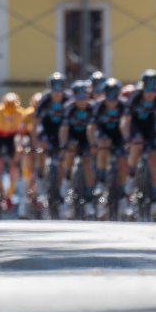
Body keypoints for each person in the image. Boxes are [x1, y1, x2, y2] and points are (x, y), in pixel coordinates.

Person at [126, 70, 156, 218]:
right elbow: (125, 120)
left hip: (150, 126)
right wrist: (127, 138)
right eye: (148, 89)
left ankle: (155, 196)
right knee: (137, 145)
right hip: (135, 125)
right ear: (142, 88)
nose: (151, 93)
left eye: (154, 90)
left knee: (154, 156)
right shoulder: (134, 96)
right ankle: (131, 175)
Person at [59, 80, 97, 217]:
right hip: (72, 135)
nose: (81, 102)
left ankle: (89, 198)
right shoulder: (69, 108)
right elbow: (64, 128)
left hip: (87, 137)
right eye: (78, 98)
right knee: (69, 152)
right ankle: (67, 179)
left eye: (84, 97)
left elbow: (93, 128)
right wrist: (63, 144)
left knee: (87, 161)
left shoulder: (93, 107)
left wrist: (93, 144)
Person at [92, 77, 129, 211]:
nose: (112, 103)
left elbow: (127, 123)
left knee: (121, 160)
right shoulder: (99, 104)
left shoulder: (124, 104)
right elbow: (92, 126)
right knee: (103, 144)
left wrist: (127, 139)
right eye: (109, 100)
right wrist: (93, 143)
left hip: (119, 134)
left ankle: (124, 193)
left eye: (114, 100)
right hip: (104, 132)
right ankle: (101, 179)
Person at [0, 92, 24, 209]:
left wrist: (19, 148)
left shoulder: (21, 114)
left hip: (12, 137)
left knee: (14, 164)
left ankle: (9, 195)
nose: (11, 115)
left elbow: (20, 134)